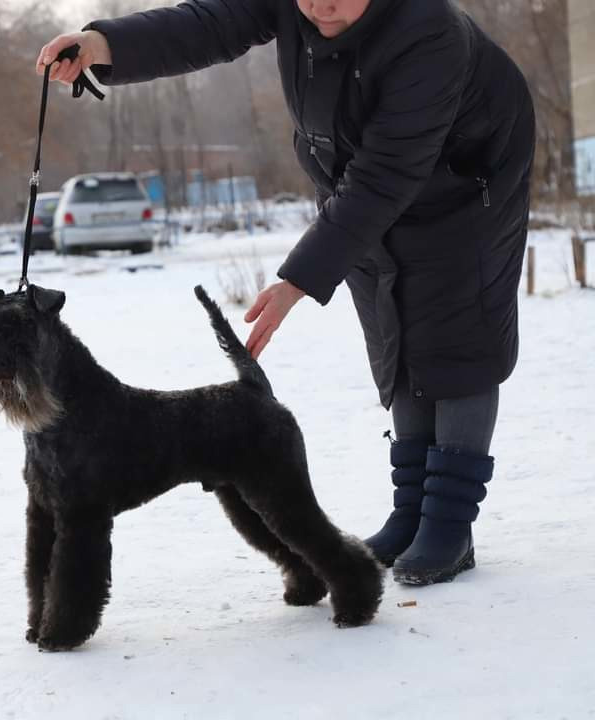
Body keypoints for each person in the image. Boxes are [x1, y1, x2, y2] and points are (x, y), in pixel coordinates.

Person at [36, 0, 535, 586]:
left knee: (457, 339)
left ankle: (449, 526)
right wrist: (103, 44)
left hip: (466, 184)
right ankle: (411, 514)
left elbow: (387, 176)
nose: (319, 5)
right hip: (358, 184)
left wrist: (298, 279)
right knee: (395, 330)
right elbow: (208, 23)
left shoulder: (429, 35)